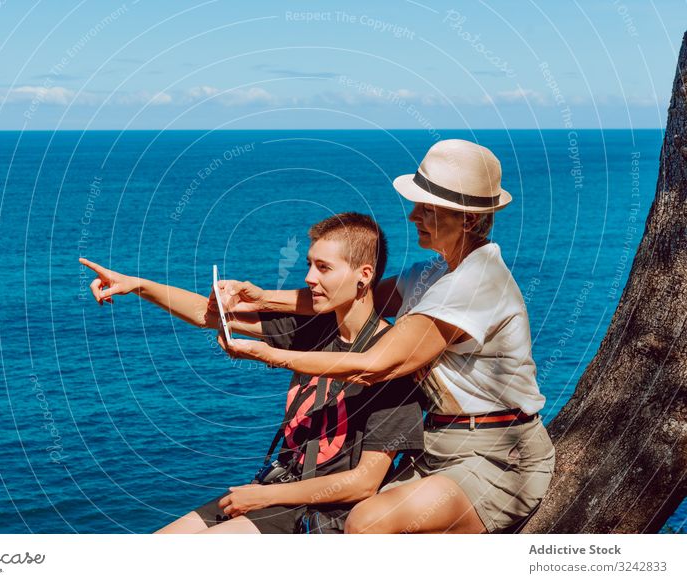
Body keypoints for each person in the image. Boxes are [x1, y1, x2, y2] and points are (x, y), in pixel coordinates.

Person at [217, 139, 556, 534]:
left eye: (428, 209)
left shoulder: (475, 283)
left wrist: (270, 356)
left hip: (498, 458)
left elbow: (374, 366)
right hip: (438, 447)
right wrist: (263, 296)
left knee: (366, 522)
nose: (413, 216)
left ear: (466, 220)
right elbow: (350, 296)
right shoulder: (430, 274)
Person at [79, 212, 424, 534]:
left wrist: (264, 498)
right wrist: (136, 284)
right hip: (274, 490)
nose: (308, 278)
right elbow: (209, 314)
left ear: (364, 275)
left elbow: (364, 482)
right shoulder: (317, 328)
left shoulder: (388, 359)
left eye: (323, 268)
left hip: (319, 512)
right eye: (309, 265)